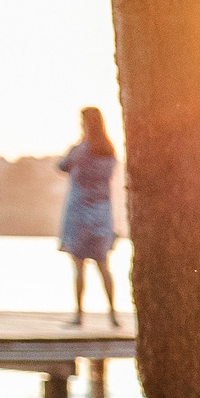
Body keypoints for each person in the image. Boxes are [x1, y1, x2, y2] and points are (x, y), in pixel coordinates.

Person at [57, 105, 120, 328]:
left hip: (80, 212)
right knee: (104, 265)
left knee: (79, 265)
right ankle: (113, 314)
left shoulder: (82, 149)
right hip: (102, 213)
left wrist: (78, 143)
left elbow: (62, 166)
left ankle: (79, 315)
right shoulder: (109, 149)